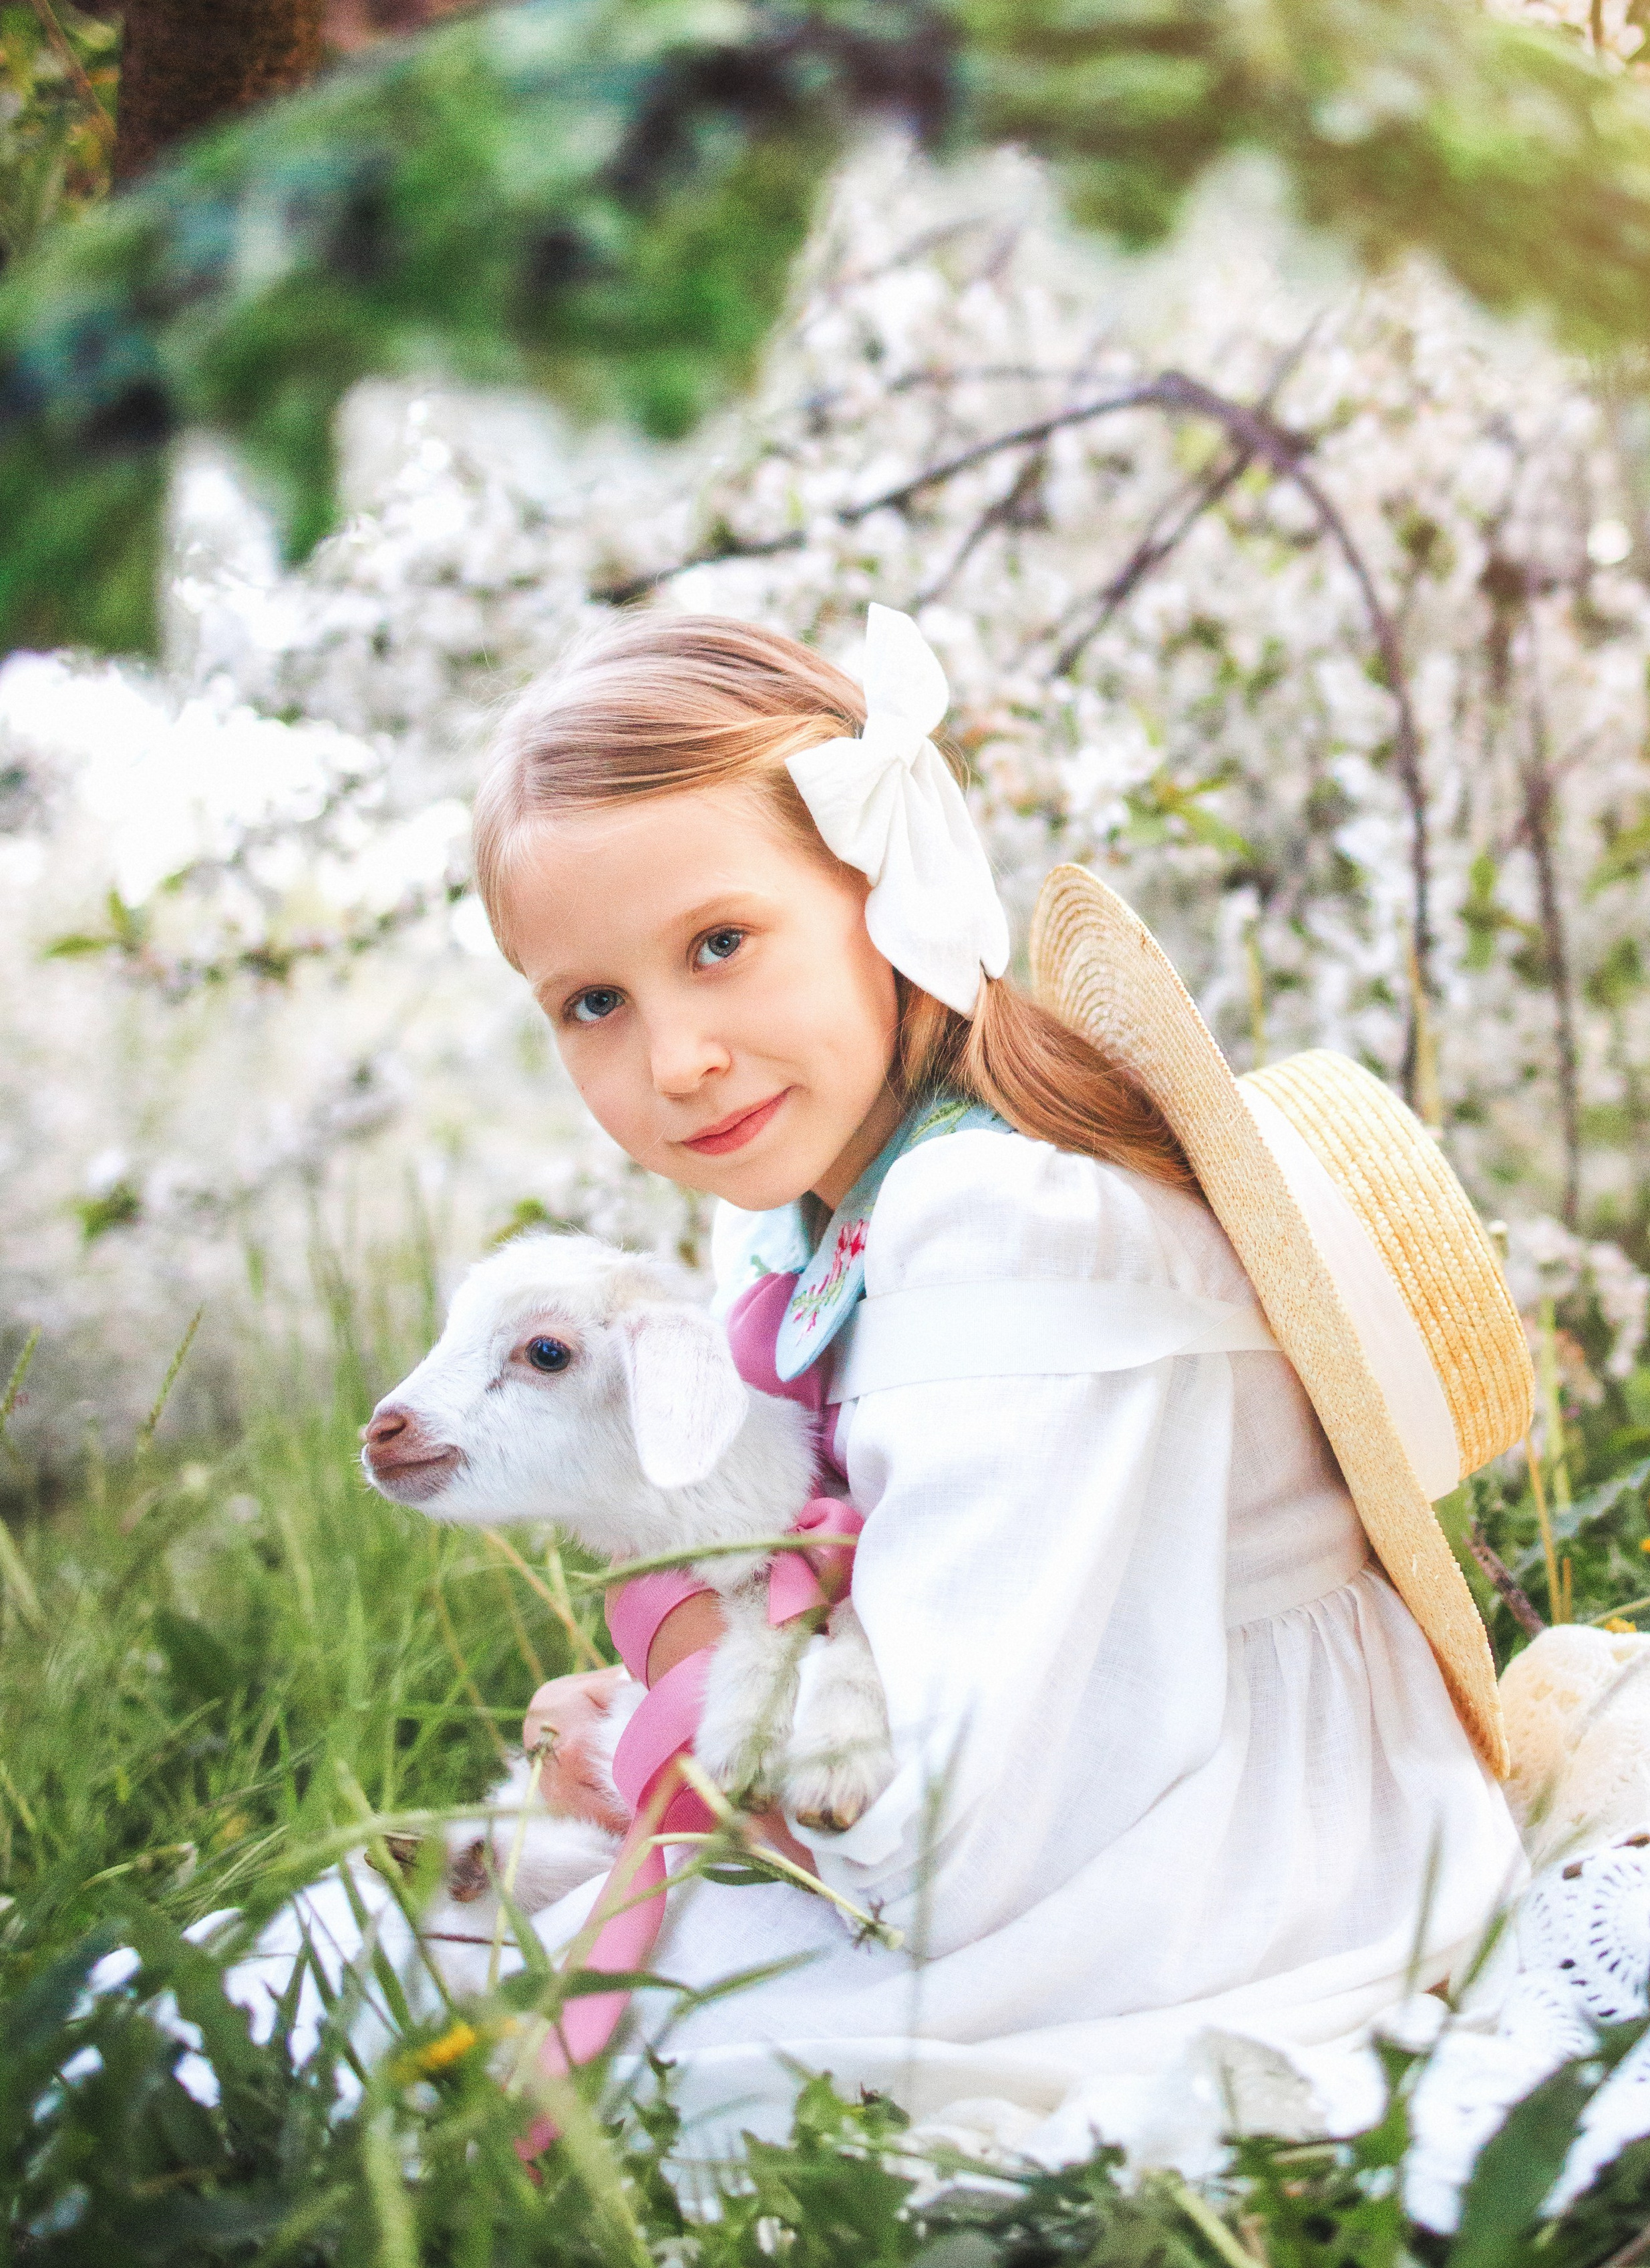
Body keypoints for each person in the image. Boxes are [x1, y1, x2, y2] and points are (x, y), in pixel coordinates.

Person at [462, 601, 1530, 2166]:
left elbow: (942, 1816)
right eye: (592, 1002)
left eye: (717, 943)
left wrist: (654, 1745)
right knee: (483, 1957)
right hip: (1076, 1772)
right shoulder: (800, 1203)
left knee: (666, 2063)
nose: (674, 1055)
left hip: (1200, 1849)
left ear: (880, 894)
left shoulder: (991, 1228)